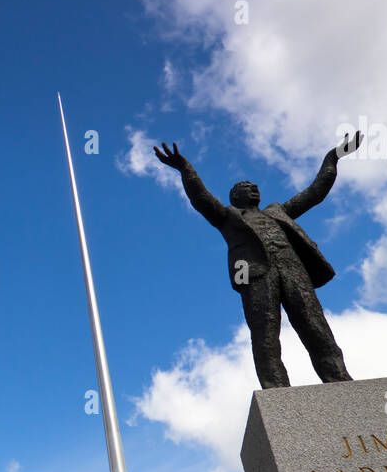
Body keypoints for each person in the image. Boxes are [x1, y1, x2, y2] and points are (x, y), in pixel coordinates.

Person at [151, 133, 363, 388]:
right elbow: (201, 198)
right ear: (235, 197)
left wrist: (333, 157)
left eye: (255, 186)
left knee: (316, 327)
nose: (254, 188)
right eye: (246, 186)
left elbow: (315, 192)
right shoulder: (227, 216)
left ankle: (339, 380)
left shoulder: (277, 211)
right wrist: (185, 169)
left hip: (293, 269)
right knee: (266, 335)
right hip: (256, 275)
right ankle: (277, 390)